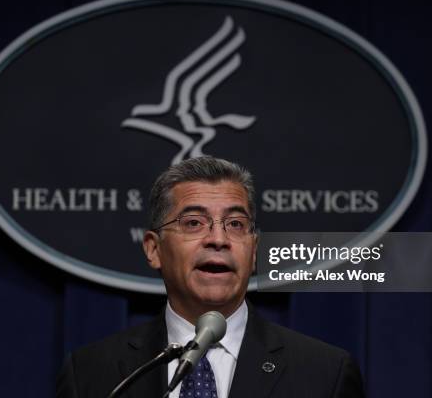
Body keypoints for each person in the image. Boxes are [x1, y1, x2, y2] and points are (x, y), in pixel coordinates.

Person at [57, 156, 364, 398]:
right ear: (154, 250)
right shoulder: (92, 373)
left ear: (254, 250)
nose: (218, 239)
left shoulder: (324, 373)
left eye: (235, 224)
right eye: (193, 223)